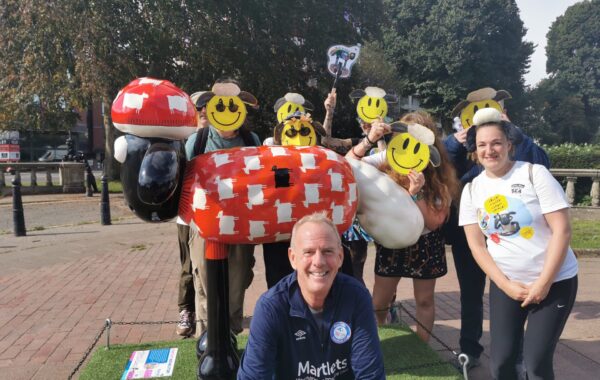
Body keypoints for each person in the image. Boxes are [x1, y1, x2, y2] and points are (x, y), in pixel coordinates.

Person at [458, 108, 578, 379]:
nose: (490, 150)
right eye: (482, 145)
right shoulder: (472, 189)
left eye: (496, 142)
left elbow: (562, 231)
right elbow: (477, 245)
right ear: (475, 150)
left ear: (509, 144)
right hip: (507, 285)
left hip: (554, 283)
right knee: (500, 363)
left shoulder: (534, 174)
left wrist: (543, 284)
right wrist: (505, 285)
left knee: (535, 365)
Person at [444, 97, 550, 370]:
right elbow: (441, 161)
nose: (489, 149)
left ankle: (520, 356)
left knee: (517, 292)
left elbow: (540, 160)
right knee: (471, 294)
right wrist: (459, 138)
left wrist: (511, 128)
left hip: (510, 238)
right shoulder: (466, 146)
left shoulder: (512, 147)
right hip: (471, 237)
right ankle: (470, 349)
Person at [346, 111, 459, 342]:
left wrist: (414, 196)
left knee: (425, 300)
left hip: (426, 243)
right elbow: (349, 164)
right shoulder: (389, 156)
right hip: (393, 240)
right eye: (404, 137)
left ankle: (422, 345)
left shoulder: (440, 173)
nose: (409, 146)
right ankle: (377, 343)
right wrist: (369, 140)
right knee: (379, 302)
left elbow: (435, 222)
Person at [238, 212, 385, 379]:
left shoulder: (357, 297)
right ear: (293, 258)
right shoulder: (270, 307)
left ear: (340, 257)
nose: (319, 261)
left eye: (328, 251)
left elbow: (370, 375)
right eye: (308, 252)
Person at [187, 80, 261, 337]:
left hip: (241, 226)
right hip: (205, 227)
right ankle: (206, 339)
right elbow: (184, 182)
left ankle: (230, 336)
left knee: (237, 282)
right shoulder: (198, 141)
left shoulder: (252, 140)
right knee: (205, 283)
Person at [174, 91, 209, 337]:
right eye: (200, 110)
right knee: (189, 266)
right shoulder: (185, 140)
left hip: (213, 215)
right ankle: (186, 311)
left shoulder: (216, 137)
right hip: (188, 214)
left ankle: (209, 310)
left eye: (209, 110)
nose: (206, 114)